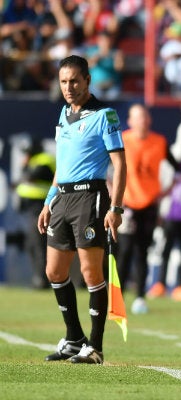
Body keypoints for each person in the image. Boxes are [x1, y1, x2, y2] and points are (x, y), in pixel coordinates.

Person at [37, 55, 126, 364]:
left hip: (90, 197)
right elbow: (62, 164)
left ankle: (96, 346)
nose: (69, 87)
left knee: (90, 272)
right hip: (61, 198)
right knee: (55, 271)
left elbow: (120, 163)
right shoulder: (63, 114)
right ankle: (74, 338)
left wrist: (116, 207)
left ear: (88, 80)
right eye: (63, 81)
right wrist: (49, 200)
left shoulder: (105, 115)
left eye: (74, 80)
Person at [117, 103, 179, 315]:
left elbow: (177, 168)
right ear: (130, 121)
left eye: (145, 117)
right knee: (124, 251)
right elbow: (104, 165)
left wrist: (166, 191)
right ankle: (117, 297)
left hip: (150, 205)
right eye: (138, 117)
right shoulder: (122, 140)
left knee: (142, 251)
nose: (142, 121)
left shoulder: (159, 142)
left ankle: (140, 297)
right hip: (127, 204)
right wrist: (112, 192)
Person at [147, 117, 181, 302]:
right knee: (166, 248)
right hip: (170, 212)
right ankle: (159, 283)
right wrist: (161, 207)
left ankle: (179, 285)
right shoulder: (173, 156)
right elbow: (163, 183)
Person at [15, 138, 56, 289]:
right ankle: (39, 277)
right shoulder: (33, 161)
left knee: (39, 244)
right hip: (31, 208)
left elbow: (32, 176)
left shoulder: (45, 160)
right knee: (31, 244)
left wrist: (25, 168)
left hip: (41, 207)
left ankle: (42, 279)